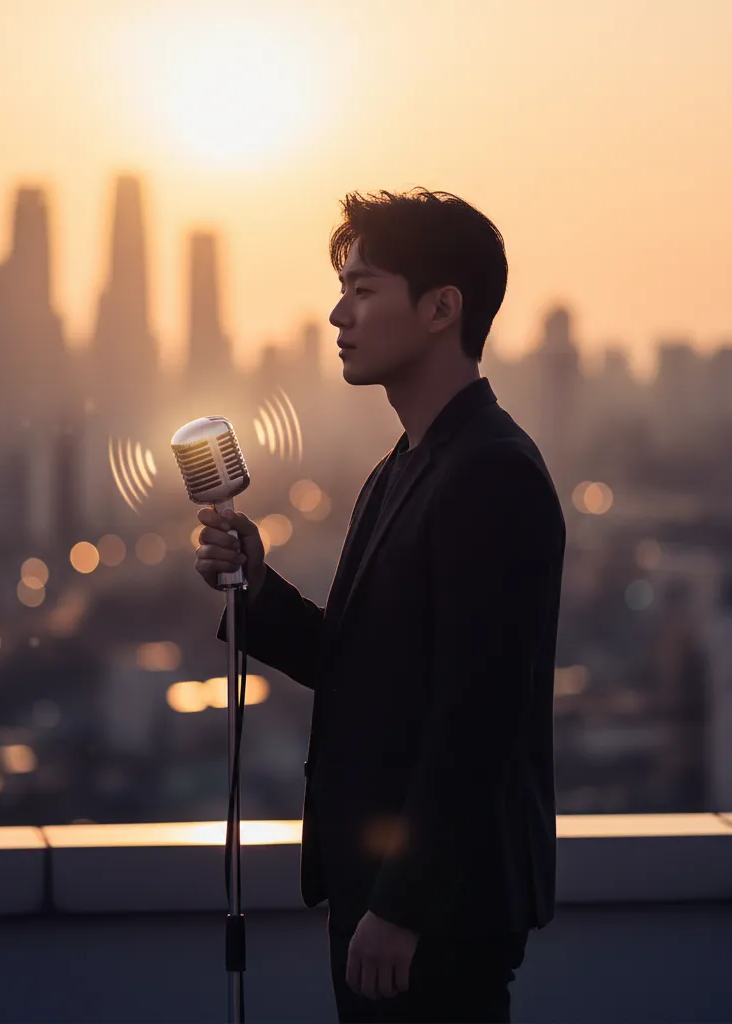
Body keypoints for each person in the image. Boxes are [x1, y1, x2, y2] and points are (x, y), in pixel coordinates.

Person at [194, 188, 566, 1023]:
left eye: (363, 290)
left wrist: (405, 905)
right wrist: (257, 589)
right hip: (385, 893)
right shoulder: (403, 468)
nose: (337, 314)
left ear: (442, 308)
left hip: (440, 909)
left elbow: (476, 718)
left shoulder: (491, 474)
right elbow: (369, 673)